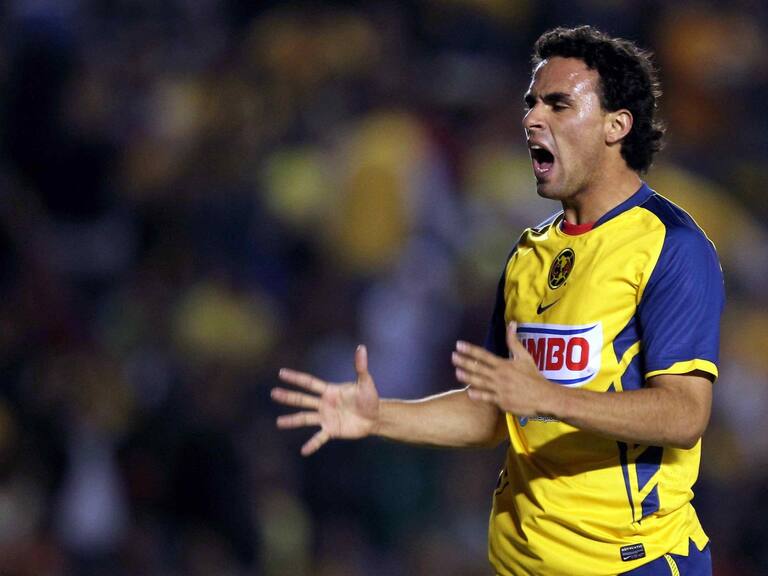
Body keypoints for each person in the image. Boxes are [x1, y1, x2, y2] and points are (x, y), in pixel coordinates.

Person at [271, 25, 724, 576]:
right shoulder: (526, 255)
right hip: (517, 563)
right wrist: (378, 416)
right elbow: (494, 412)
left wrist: (550, 397)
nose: (533, 119)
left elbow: (684, 414)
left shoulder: (670, 246)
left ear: (617, 126)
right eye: (532, 103)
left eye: (559, 104)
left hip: (631, 564)